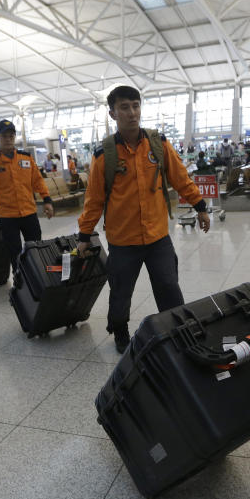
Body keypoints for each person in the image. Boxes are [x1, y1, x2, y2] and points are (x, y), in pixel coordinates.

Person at [75, 85, 210, 352]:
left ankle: (177, 330)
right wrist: (83, 235)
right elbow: (94, 199)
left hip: (157, 236)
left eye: (136, 106)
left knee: (169, 287)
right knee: (121, 292)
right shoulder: (104, 155)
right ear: (113, 113)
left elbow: (180, 178)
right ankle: (120, 331)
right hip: (123, 241)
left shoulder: (157, 144)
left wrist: (200, 205)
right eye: (124, 107)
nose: (132, 113)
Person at [0, 120, 52, 269]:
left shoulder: (26, 158)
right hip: (8, 217)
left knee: (35, 250)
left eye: (11, 136)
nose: (8, 139)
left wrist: (47, 200)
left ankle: (37, 281)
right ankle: (21, 285)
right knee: (15, 254)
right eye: (4, 136)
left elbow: (38, 181)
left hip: (29, 213)